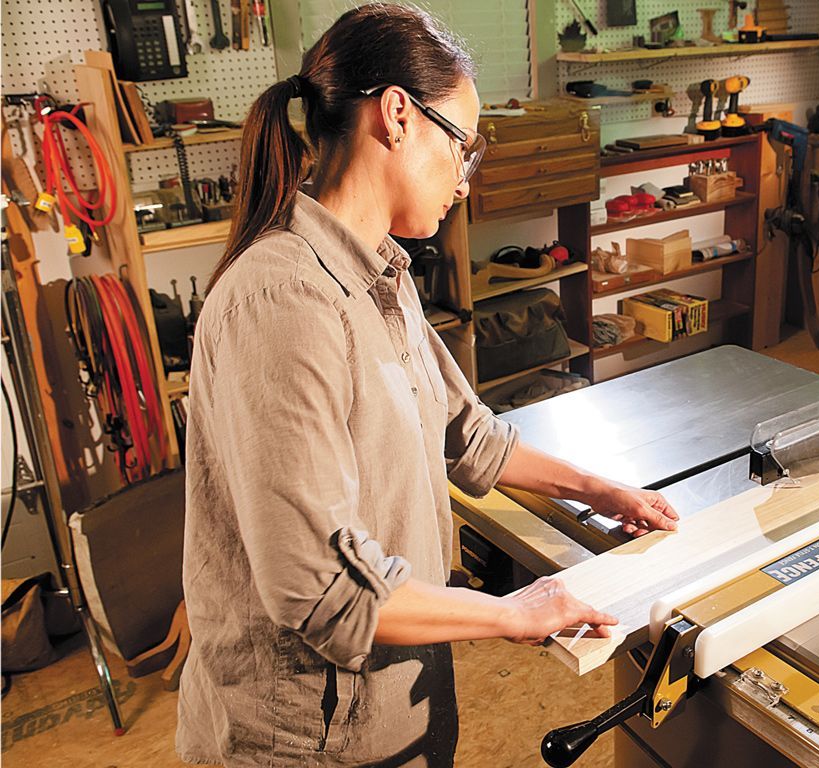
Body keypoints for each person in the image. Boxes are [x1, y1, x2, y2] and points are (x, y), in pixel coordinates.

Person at [175, 4, 679, 767]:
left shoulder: (380, 269)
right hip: (306, 737)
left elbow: (466, 433)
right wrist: (511, 611)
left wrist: (599, 490)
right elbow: (321, 591)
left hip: (391, 700)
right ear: (398, 116)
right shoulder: (282, 304)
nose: (464, 182)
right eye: (461, 147)